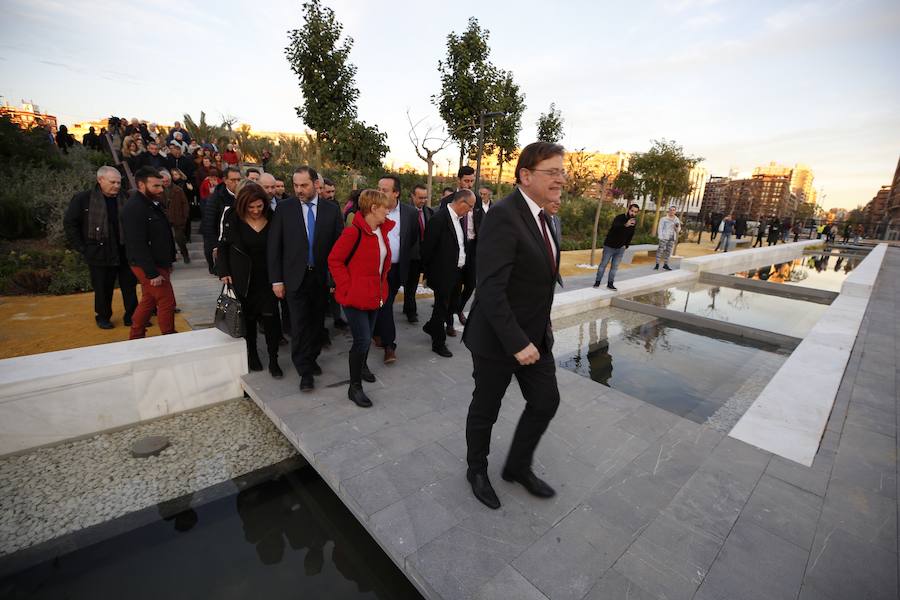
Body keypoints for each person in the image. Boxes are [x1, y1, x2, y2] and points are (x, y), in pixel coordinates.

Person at [462, 141, 563, 510]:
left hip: (535, 337)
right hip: (497, 340)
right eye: (551, 172)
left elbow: (539, 278)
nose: (560, 179)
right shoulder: (504, 215)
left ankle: (517, 467)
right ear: (525, 175)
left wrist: (541, 326)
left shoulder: (544, 216)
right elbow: (490, 288)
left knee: (545, 401)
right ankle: (476, 470)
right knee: (485, 408)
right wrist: (517, 341)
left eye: (561, 171)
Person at [268, 166, 343, 392]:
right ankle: (305, 371)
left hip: (320, 278)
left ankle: (311, 357)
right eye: (296, 185)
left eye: (304, 185)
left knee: (317, 324)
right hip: (294, 278)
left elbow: (338, 247)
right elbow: (274, 247)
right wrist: (276, 280)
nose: (299, 190)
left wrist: (337, 279)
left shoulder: (331, 210)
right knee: (299, 325)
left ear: (315, 185)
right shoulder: (284, 209)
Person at [328, 189, 393, 407]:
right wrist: (347, 287)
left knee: (367, 338)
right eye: (385, 207)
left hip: (375, 295)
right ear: (373, 208)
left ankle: (362, 366)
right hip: (354, 297)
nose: (389, 210)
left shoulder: (381, 231)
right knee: (363, 340)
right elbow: (334, 260)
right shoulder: (352, 233)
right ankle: (354, 387)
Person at [218, 183, 284, 379]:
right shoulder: (233, 218)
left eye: (259, 206)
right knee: (248, 319)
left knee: (272, 320)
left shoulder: (273, 218)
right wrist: (224, 270)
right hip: (242, 278)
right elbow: (223, 246)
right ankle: (252, 353)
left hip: (268, 278)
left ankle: (274, 359)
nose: (255, 211)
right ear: (243, 205)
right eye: (251, 207)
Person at [63, 166, 138, 329]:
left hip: (125, 250)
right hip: (98, 251)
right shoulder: (84, 199)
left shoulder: (126, 197)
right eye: (113, 182)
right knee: (103, 287)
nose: (117, 186)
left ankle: (132, 316)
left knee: (129, 286)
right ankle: (103, 316)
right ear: (100, 180)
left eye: (119, 182)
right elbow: (70, 224)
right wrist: (82, 247)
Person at [122, 167, 177, 340]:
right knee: (167, 301)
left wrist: (169, 260)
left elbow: (162, 234)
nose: (161, 190)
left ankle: (136, 335)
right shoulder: (134, 208)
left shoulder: (151, 203)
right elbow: (136, 243)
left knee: (149, 300)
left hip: (158, 263)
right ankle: (169, 337)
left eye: (161, 186)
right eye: (155, 186)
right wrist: (152, 272)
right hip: (148, 265)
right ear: (141, 185)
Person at [421, 190, 475, 358]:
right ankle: (438, 343)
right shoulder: (439, 219)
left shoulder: (458, 219)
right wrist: (428, 275)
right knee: (441, 307)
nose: (471, 211)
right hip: (443, 273)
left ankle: (431, 326)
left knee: (452, 305)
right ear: (461, 203)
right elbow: (427, 249)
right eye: (470, 206)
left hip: (457, 272)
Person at [371, 176, 419, 364]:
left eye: (384, 190)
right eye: (378, 188)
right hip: (376, 268)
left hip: (397, 269)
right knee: (385, 304)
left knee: (385, 303)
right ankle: (389, 345)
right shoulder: (372, 210)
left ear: (396, 193)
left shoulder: (410, 214)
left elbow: (412, 238)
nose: (379, 193)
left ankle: (377, 333)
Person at [402, 184, 434, 323]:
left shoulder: (428, 212)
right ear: (412, 196)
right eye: (420, 198)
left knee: (413, 284)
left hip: (423, 254)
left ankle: (407, 307)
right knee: (411, 284)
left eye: (425, 198)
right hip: (410, 255)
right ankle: (411, 312)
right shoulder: (405, 212)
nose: (423, 200)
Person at [452, 166, 477, 333]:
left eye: (471, 181)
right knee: (454, 285)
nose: (469, 184)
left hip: (473, 247)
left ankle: (458, 308)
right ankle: (449, 320)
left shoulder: (477, 201)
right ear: (459, 180)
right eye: (466, 180)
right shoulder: (450, 200)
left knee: (471, 284)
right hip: (455, 248)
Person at [202, 166, 241, 274]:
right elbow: (209, 224)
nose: (237, 183)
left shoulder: (244, 195)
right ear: (225, 180)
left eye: (239, 179)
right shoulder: (216, 198)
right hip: (222, 242)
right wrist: (215, 245)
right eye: (233, 180)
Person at [592, 204, 638, 290]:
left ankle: (610, 283)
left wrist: (626, 245)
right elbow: (615, 227)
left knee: (615, 267)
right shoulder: (619, 218)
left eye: (635, 212)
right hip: (609, 246)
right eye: (632, 211)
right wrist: (625, 225)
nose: (633, 213)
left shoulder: (634, 221)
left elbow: (631, 234)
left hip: (620, 248)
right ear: (628, 209)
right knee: (603, 265)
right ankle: (597, 282)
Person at [160, 169, 190, 263]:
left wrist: (185, 217)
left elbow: (185, 204)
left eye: (167, 181)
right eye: (163, 181)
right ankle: (171, 256)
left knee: (179, 238)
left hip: (178, 218)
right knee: (167, 239)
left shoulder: (178, 190)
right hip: (164, 218)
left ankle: (185, 254)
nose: (165, 183)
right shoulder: (158, 191)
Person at [655, 205, 681, 270]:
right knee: (660, 250)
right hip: (664, 237)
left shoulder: (677, 219)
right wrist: (660, 236)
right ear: (669, 210)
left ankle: (665, 264)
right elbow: (660, 228)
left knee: (668, 251)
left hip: (672, 238)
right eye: (671, 210)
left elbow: (678, 230)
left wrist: (676, 227)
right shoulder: (663, 219)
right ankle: (657, 264)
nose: (672, 211)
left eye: (673, 210)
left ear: (675, 211)